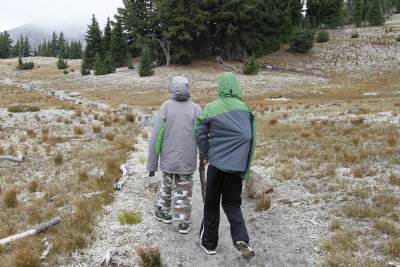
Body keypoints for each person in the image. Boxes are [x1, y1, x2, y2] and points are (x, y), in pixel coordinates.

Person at [194, 72, 256, 259]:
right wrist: (244, 167)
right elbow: (250, 139)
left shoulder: (212, 107)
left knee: (211, 204)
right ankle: (241, 238)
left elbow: (199, 133)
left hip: (217, 166)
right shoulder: (246, 109)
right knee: (232, 204)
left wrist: (206, 153)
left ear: (220, 88)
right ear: (237, 87)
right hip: (236, 167)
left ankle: (209, 244)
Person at [147, 76, 202, 234]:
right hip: (187, 158)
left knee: (166, 184)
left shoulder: (166, 106)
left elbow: (156, 135)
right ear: (188, 88)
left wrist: (152, 164)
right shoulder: (196, 108)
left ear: (171, 88)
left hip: (168, 158)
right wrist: (205, 154)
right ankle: (183, 222)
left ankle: (164, 213)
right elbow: (202, 135)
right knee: (184, 189)